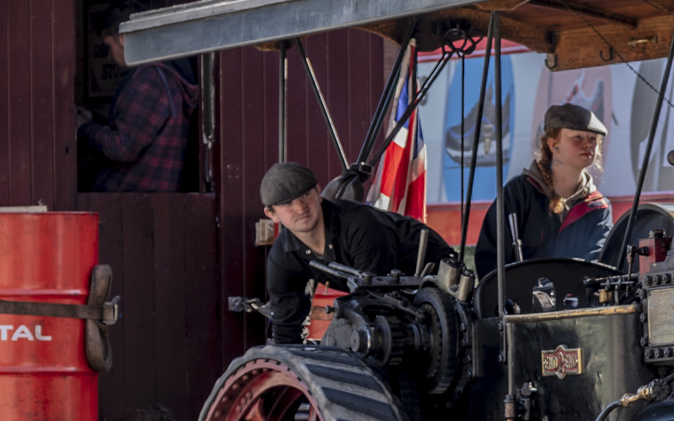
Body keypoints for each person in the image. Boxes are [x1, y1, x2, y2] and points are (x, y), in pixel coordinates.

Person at [260, 161, 454, 345]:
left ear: (318, 193)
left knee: (342, 338)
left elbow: (374, 302)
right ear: (272, 214)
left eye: (305, 195)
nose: (300, 207)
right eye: (287, 203)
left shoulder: (361, 227)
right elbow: (286, 325)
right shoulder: (283, 256)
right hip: (388, 298)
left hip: (439, 282)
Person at [472, 102, 613, 279]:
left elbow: (599, 267)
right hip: (518, 303)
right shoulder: (518, 193)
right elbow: (489, 259)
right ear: (554, 144)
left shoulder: (599, 208)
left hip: (577, 305)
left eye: (593, 139)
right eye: (577, 137)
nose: (588, 145)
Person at [78, 1, 200, 193]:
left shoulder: (149, 79)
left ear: (123, 38)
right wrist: (93, 120)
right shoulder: (161, 76)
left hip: (130, 201)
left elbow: (122, 146)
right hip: (145, 202)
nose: (109, 56)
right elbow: (134, 133)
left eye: (108, 46)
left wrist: (83, 128)